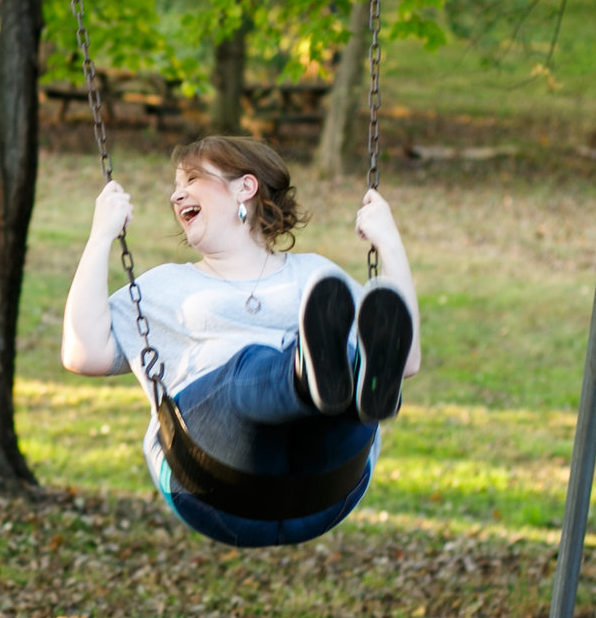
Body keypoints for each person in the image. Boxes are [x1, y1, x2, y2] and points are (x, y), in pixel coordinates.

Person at [61, 136, 420, 548]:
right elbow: (81, 351)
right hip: (209, 479)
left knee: (350, 357)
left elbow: (404, 359)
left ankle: (352, 392)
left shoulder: (319, 279)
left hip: (325, 489)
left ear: (245, 187)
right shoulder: (165, 286)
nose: (177, 195)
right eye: (177, 186)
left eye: (193, 179)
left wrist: (388, 241)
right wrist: (101, 234)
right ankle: (306, 377)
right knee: (254, 364)